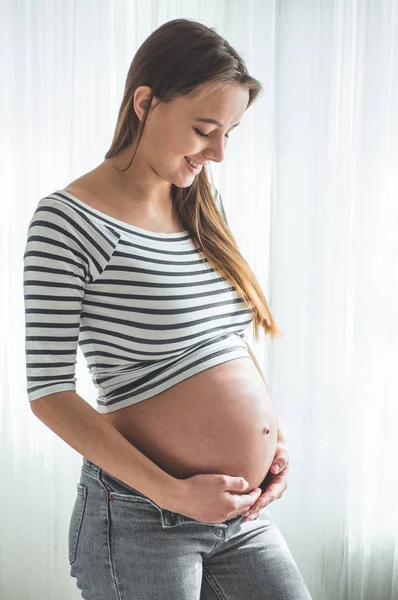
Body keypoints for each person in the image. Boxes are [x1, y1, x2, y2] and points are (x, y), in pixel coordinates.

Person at [23, 17, 312, 600]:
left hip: (237, 514)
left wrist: (272, 437)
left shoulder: (201, 209)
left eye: (230, 132)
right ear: (145, 103)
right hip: (140, 520)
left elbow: (225, 339)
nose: (219, 152)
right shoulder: (66, 221)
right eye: (205, 128)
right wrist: (171, 492)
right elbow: (49, 393)